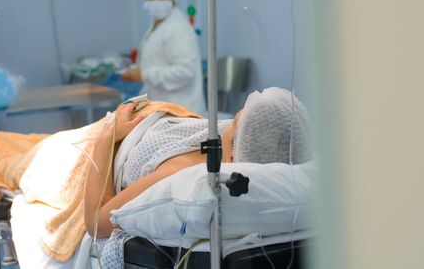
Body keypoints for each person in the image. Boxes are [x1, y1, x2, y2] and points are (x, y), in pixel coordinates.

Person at [84, 87, 310, 238]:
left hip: (112, 138)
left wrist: (105, 139)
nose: (239, 113)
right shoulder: (246, 136)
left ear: (233, 160)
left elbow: (97, 224)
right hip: (147, 119)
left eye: (239, 120)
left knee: (46, 143)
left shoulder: (178, 172)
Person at [121, 0, 206, 115]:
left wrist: (145, 75)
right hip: (165, 109)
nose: (157, 1)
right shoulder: (157, 26)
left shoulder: (178, 28)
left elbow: (185, 72)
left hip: (181, 112)